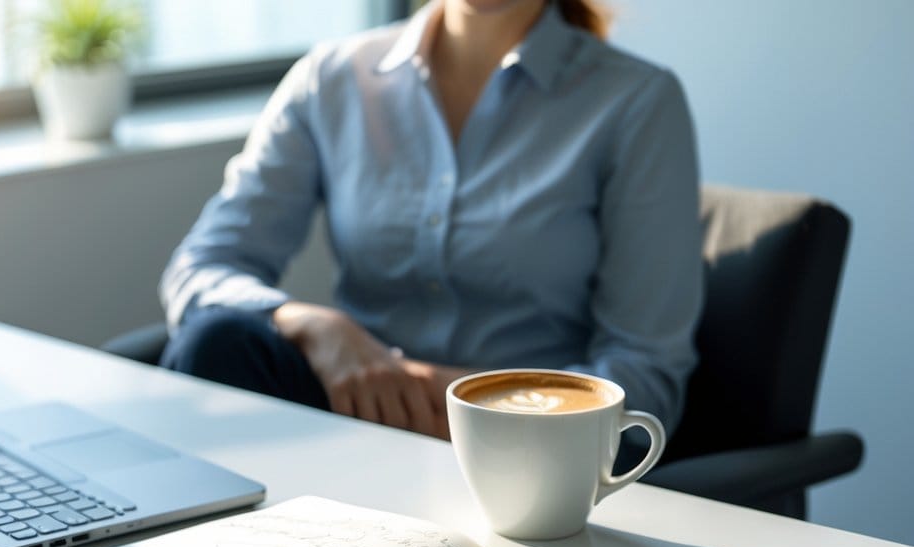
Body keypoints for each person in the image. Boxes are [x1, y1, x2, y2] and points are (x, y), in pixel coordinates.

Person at [158, 0, 701, 443]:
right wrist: (315, 325)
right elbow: (201, 269)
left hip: (524, 445)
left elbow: (645, 377)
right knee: (219, 341)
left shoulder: (635, 101)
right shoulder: (332, 79)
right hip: (349, 415)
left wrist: (473, 400)